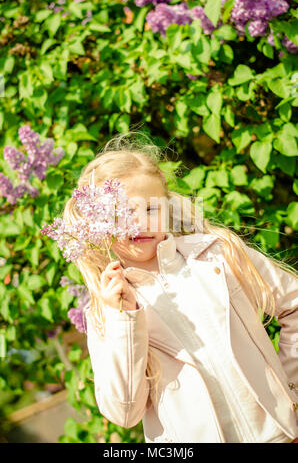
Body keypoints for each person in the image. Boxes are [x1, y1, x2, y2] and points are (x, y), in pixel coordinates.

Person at [62, 132, 298, 443]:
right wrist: (125, 318)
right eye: (121, 213)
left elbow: (293, 303)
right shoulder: (106, 314)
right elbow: (124, 413)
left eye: (150, 209)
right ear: (97, 223)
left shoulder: (217, 254)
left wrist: (289, 388)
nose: (140, 223)